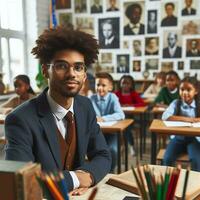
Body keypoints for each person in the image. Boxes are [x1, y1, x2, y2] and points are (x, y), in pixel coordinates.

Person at [5, 27, 111, 194]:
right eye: (62, 66)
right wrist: (76, 179)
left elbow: (103, 155)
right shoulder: (19, 119)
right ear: (45, 70)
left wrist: (87, 175)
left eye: (78, 67)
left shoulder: (85, 106)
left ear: (84, 74)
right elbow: (21, 181)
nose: (72, 74)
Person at [162, 76, 200, 171]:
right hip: (178, 137)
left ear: (196, 91)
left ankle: (196, 184)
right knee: (167, 159)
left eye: (188, 90)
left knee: (196, 160)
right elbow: (165, 116)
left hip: (194, 138)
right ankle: (168, 183)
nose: (184, 93)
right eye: (182, 89)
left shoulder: (199, 105)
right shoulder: (176, 103)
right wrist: (188, 119)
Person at [90, 72, 125, 172]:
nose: (100, 88)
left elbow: (120, 114)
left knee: (112, 150)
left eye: (103, 85)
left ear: (110, 87)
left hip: (111, 133)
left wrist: (103, 118)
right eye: (98, 85)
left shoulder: (113, 97)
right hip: (96, 134)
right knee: (93, 151)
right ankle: (96, 171)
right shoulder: (91, 98)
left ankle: (110, 171)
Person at [115, 75, 145, 156]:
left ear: (131, 85)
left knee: (127, 128)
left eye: (128, 83)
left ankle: (131, 146)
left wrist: (130, 105)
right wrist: (120, 105)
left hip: (130, 118)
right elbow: (113, 103)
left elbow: (142, 103)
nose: (125, 85)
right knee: (120, 129)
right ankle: (121, 145)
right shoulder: (116, 94)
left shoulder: (133, 94)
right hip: (117, 118)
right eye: (123, 83)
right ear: (120, 84)